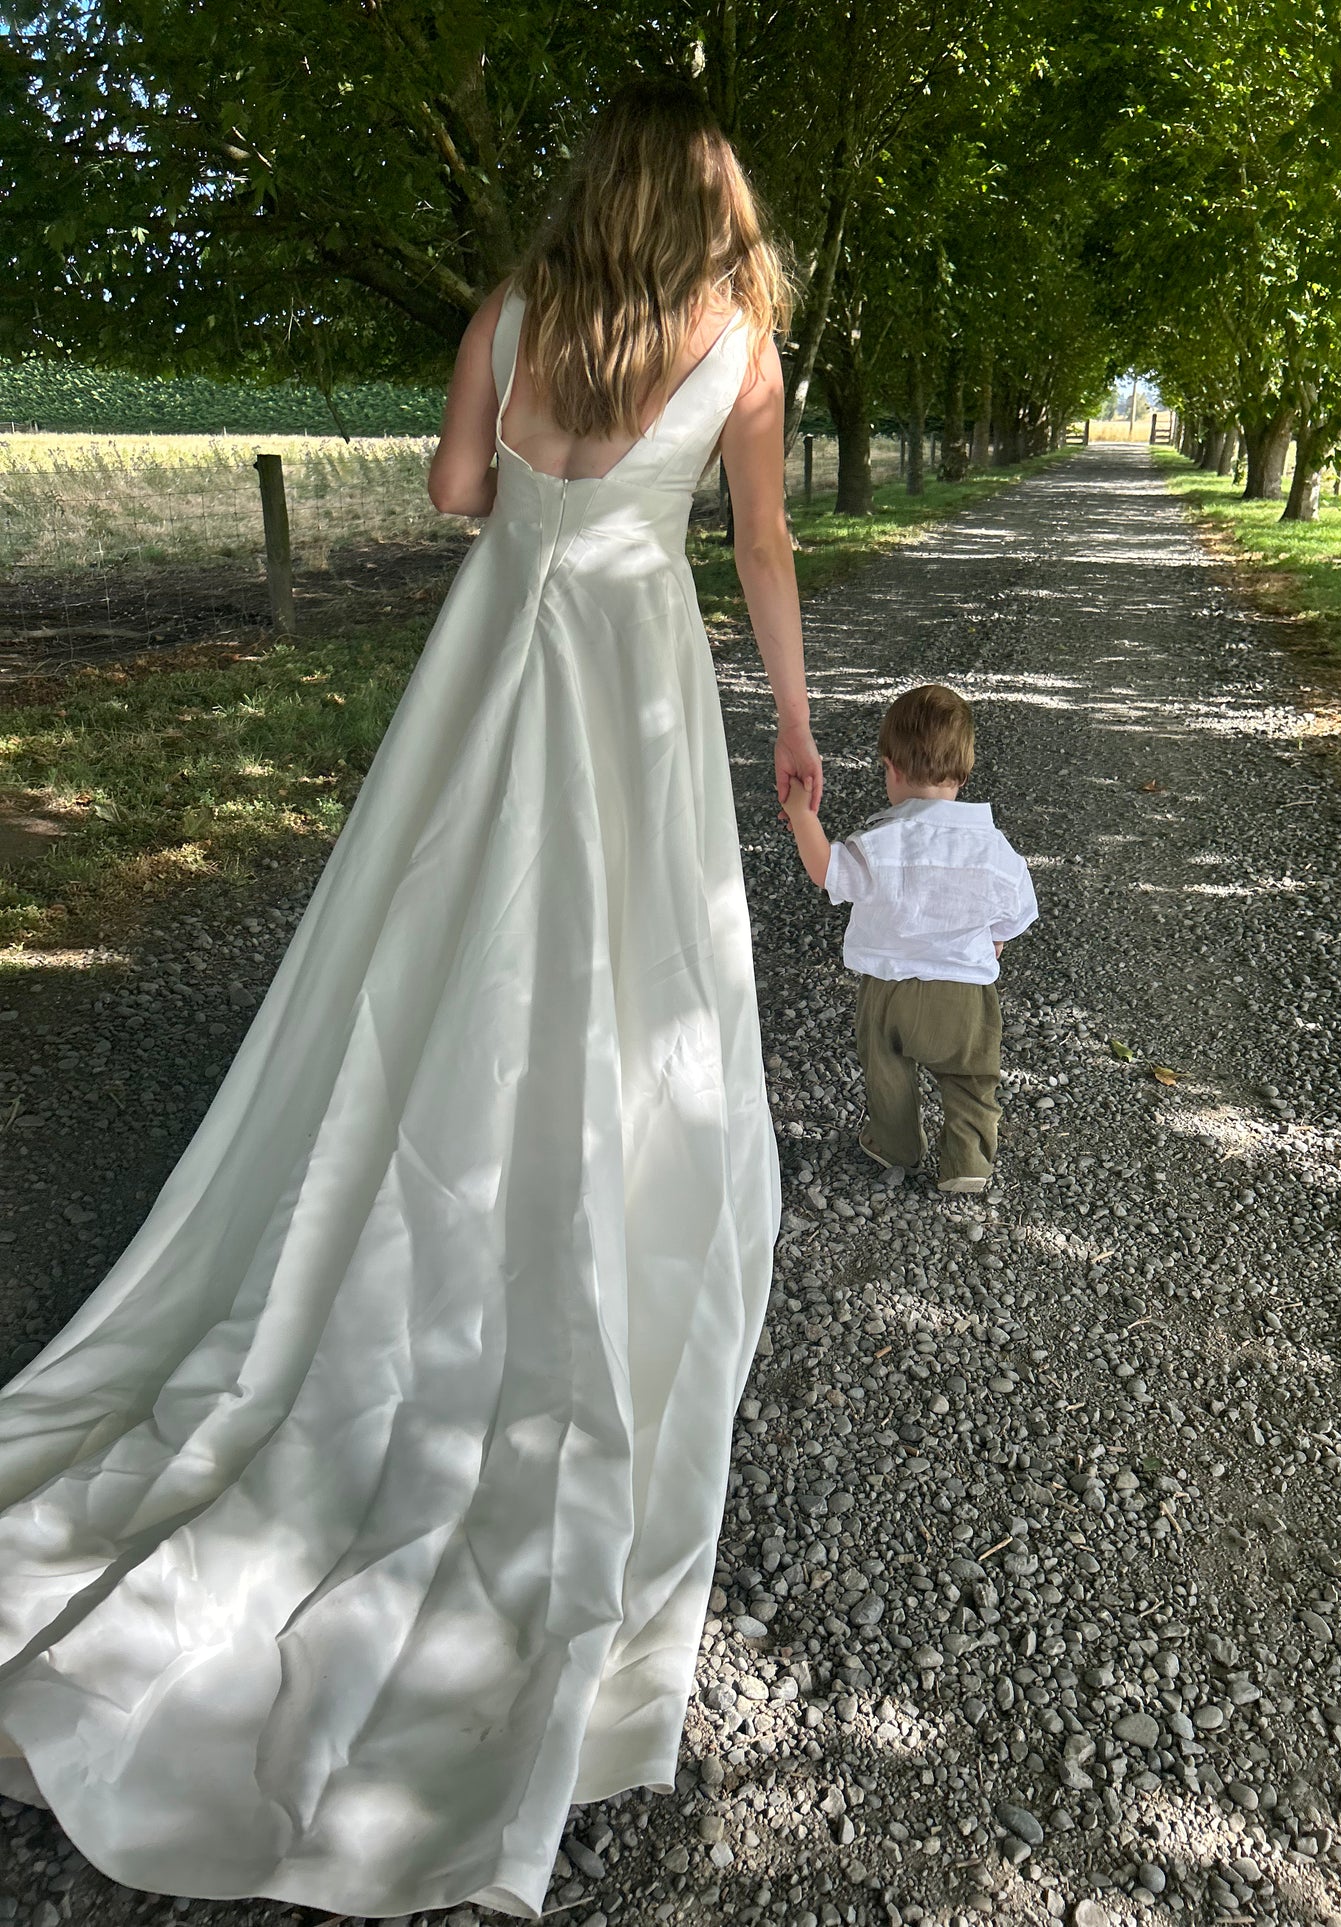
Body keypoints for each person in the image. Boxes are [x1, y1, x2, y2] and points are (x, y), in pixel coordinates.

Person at [0, 81, 819, 1921]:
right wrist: (795, 732)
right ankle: (588, 1222)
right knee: (627, 991)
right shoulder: (740, 338)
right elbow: (759, 548)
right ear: (712, 206)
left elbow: (458, 492)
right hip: (633, 696)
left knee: (424, 962)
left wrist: (529, 496)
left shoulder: (511, 316)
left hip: (492, 681)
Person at [780, 682, 1034, 1193]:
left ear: (890, 767)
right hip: (964, 994)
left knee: (887, 1071)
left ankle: (894, 1143)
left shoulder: (878, 844)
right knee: (970, 1079)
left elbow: (827, 870)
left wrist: (802, 815)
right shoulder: (995, 849)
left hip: (888, 991)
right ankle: (968, 1161)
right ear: (964, 770)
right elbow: (1017, 912)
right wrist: (996, 939)